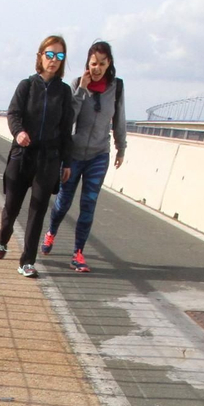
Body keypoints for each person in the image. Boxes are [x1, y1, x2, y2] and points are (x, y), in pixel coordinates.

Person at [42, 41, 126, 273]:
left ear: (109, 64)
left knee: (88, 204)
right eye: (93, 64)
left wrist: (121, 146)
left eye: (102, 63)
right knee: (63, 203)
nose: (97, 68)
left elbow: (119, 118)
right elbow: (69, 118)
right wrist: (82, 89)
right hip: (75, 155)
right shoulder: (77, 85)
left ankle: (78, 253)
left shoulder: (116, 87)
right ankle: (51, 232)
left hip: (99, 155)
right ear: (87, 65)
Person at [0, 35, 75, 278]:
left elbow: (66, 130)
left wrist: (67, 161)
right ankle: (3, 238)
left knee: (38, 210)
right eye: (49, 54)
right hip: (22, 156)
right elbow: (13, 114)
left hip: (49, 159)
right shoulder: (26, 86)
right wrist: (18, 132)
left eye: (59, 56)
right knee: (12, 207)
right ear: (40, 56)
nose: (54, 60)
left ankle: (27, 261)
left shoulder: (64, 92)